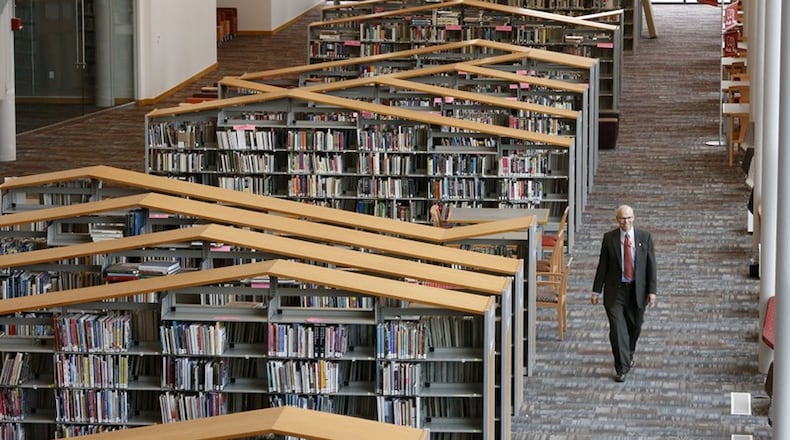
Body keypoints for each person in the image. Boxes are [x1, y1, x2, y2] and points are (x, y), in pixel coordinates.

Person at [591, 205, 657, 382]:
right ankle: (621, 367)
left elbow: (651, 266)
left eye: (628, 218)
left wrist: (652, 291)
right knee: (617, 329)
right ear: (617, 220)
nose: (626, 221)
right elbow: (602, 266)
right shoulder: (609, 238)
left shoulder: (645, 238)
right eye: (622, 218)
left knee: (635, 326)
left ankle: (628, 353)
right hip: (615, 291)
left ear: (634, 218)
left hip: (637, 290)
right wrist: (596, 290)